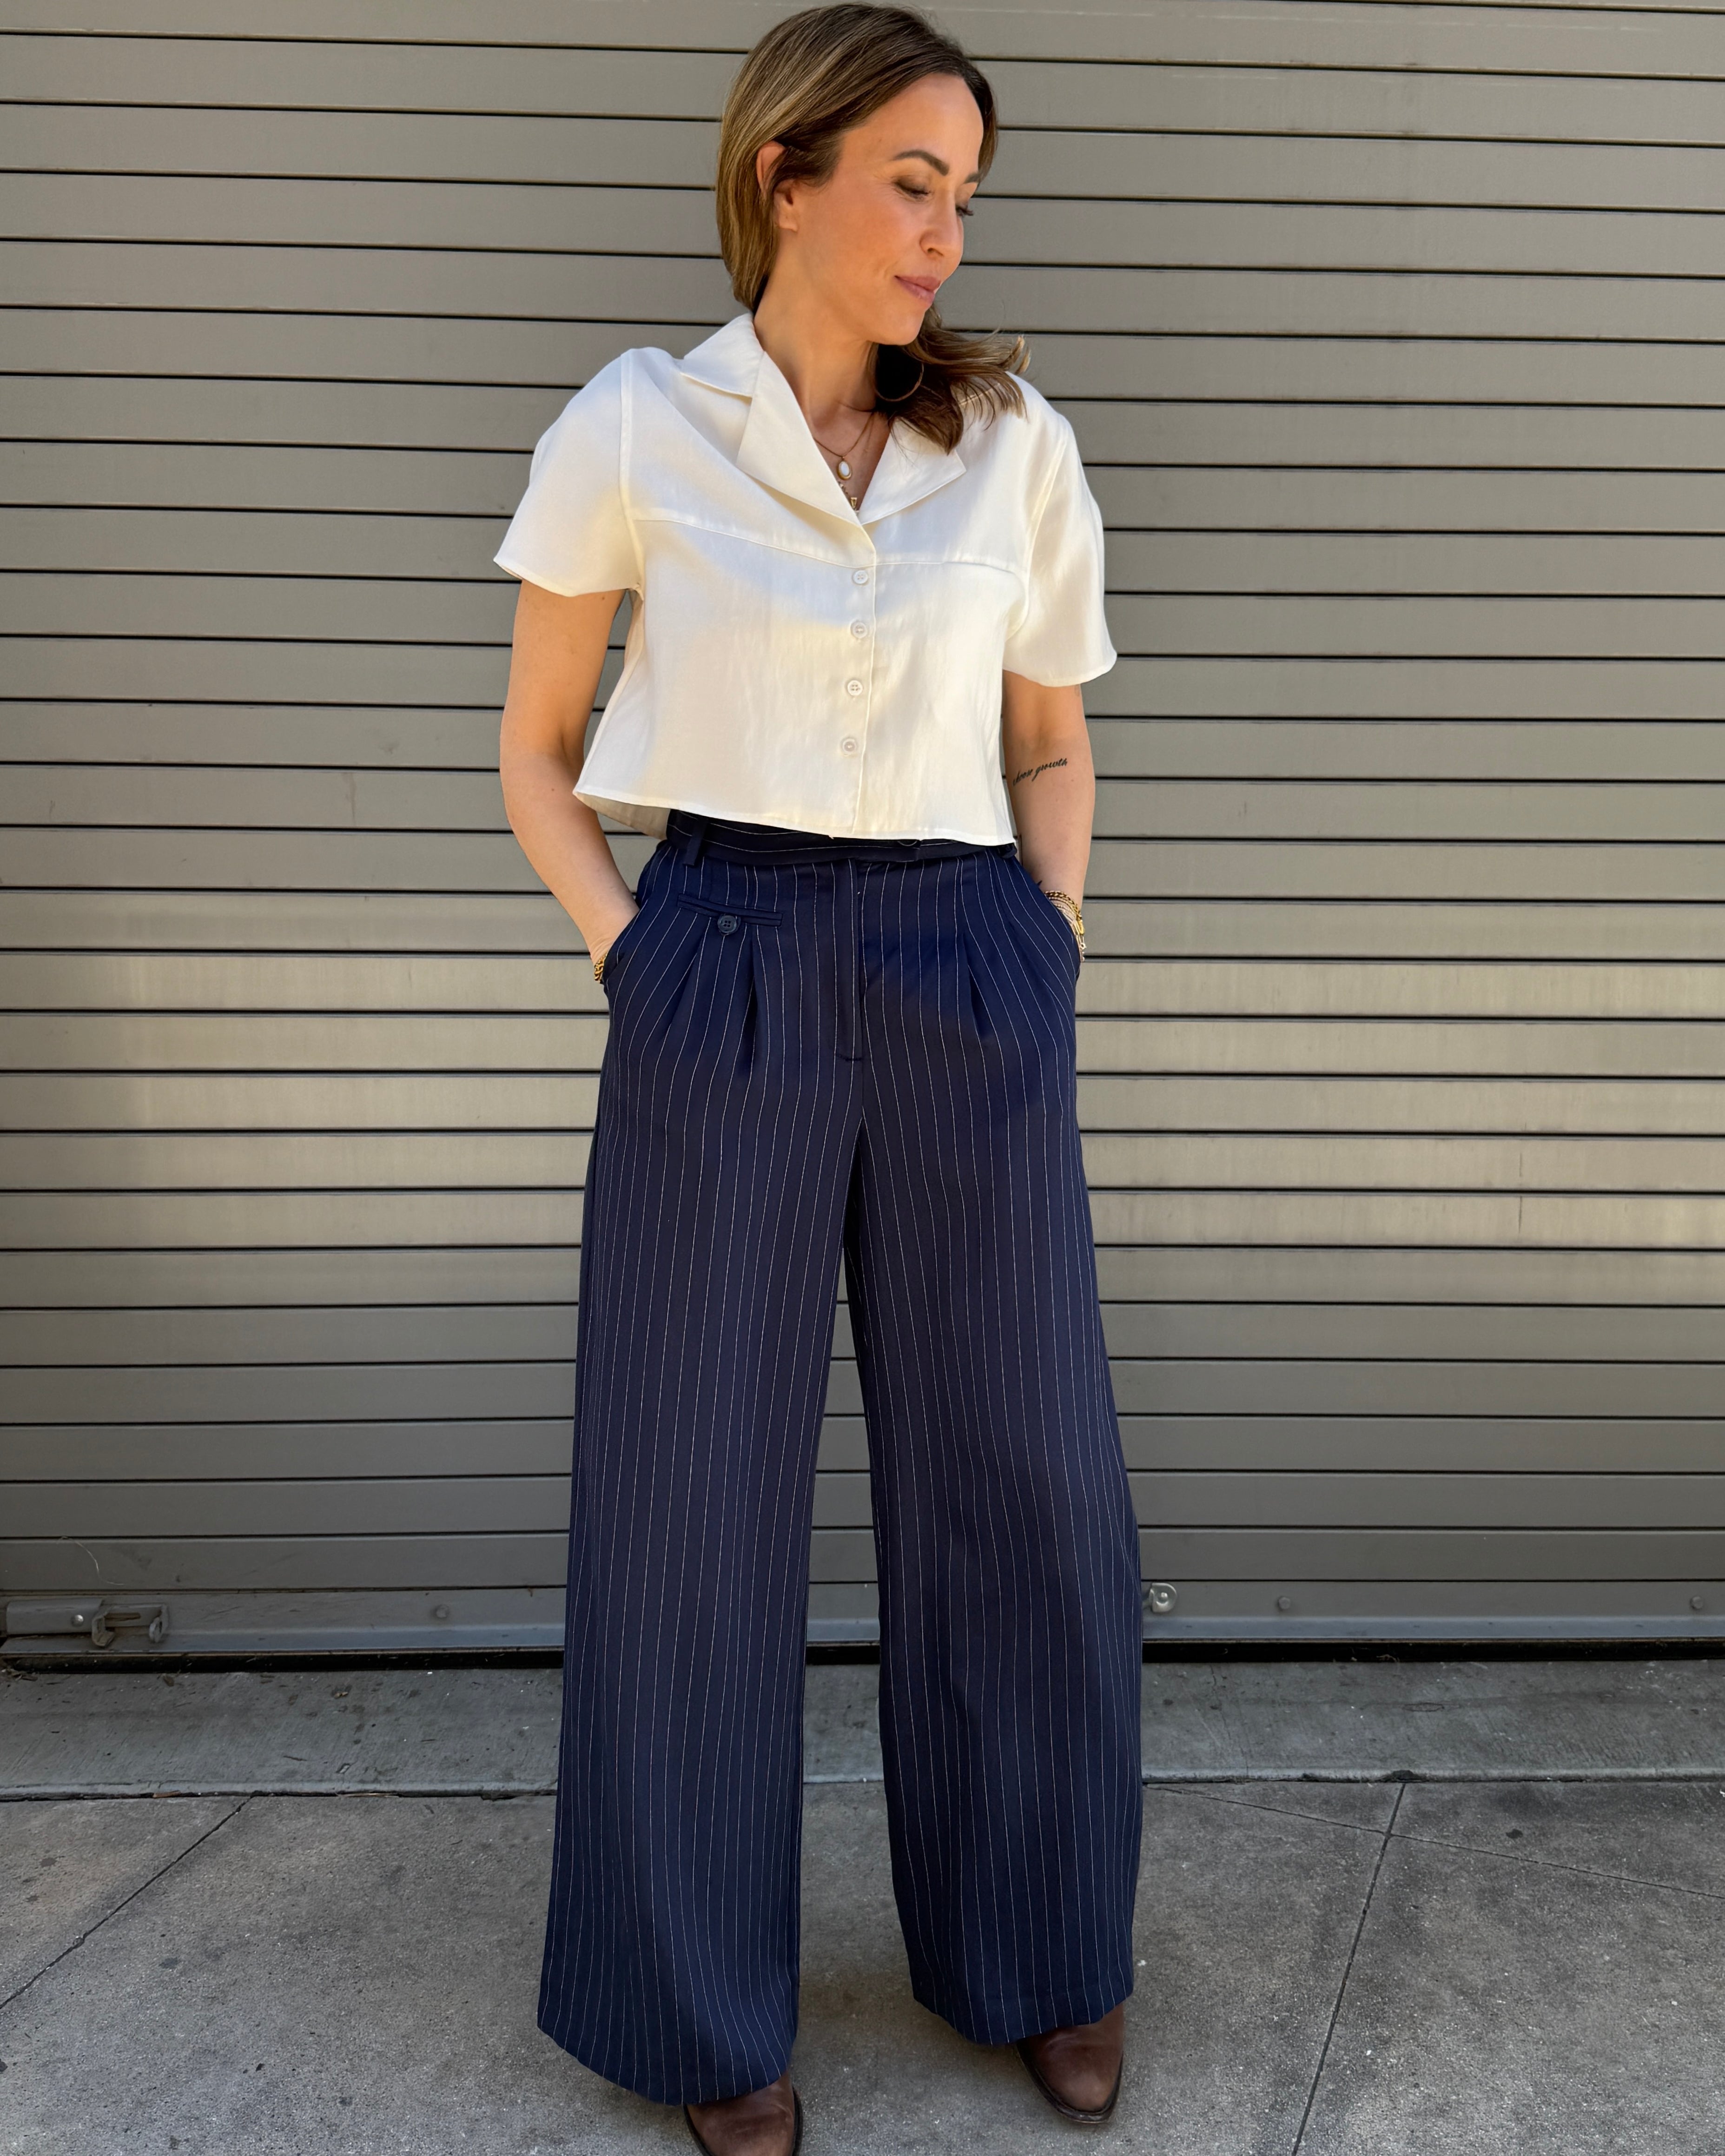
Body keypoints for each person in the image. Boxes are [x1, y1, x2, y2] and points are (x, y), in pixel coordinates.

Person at [494, 7, 1143, 2149]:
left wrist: (1044, 948)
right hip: (730, 949)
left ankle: (1039, 1947)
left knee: (1024, 1477)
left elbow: (1048, 737)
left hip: (966, 952)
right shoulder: (634, 424)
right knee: (687, 1497)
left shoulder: (1012, 445)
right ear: (786, 174)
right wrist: (640, 952)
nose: (944, 232)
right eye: (908, 180)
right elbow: (532, 743)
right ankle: (703, 2013)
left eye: (965, 192)